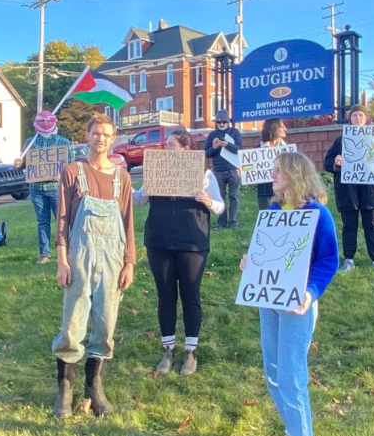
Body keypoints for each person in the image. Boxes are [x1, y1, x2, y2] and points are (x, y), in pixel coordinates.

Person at [239, 151, 338, 436]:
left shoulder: (317, 214)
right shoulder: (270, 212)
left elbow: (329, 259)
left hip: (297, 306)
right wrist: (249, 262)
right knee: (273, 374)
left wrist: (311, 291)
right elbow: (264, 253)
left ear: (295, 174)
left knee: (292, 378)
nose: (272, 175)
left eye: (278, 171)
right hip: (269, 302)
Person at [52, 113, 135, 418]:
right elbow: (62, 220)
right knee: (73, 323)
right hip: (79, 256)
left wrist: (130, 263)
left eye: (106, 134)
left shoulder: (122, 178)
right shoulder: (73, 172)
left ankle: (94, 385)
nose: (101, 138)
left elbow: (127, 223)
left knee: (105, 324)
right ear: (87, 136)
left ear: (113, 140)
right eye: (96, 133)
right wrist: (61, 260)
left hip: (113, 259)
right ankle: (65, 387)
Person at [133, 129, 224, 376]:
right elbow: (138, 200)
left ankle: (191, 352)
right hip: (159, 242)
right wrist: (125, 186)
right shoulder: (157, 170)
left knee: (190, 296)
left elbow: (219, 207)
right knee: (166, 297)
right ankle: (168, 350)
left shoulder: (204, 174)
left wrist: (206, 200)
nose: (167, 148)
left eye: (172, 144)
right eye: (167, 144)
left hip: (192, 243)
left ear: (186, 148)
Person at [323, 105, 374, 276]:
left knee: (372, 224)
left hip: (371, 191)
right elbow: (327, 163)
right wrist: (336, 161)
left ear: (366, 118)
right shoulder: (341, 141)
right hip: (348, 191)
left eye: (361, 115)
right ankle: (349, 259)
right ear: (350, 118)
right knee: (349, 225)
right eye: (354, 115)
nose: (357, 118)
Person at [14, 110, 71, 265]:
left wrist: (63, 175)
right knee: (42, 221)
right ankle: (44, 254)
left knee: (62, 220)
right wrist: (19, 164)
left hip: (56, 188)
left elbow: (70, 166)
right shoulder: (29, 143)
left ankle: (65, 251)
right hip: (37, 188)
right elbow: (26, 164)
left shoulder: (63, 142)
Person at [204, 110, 243, 230]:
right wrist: (215, 147)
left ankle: (233, 222)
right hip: (218, 170)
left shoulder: (234, 132)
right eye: (218, 122)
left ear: (228, 121)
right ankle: (221, 222)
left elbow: (239, 149)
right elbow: (207, 153)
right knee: (219, 197)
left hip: (232, 169)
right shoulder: (212, 135)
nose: (221, 124)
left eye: (224, 121)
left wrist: (227, 145)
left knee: (234, 196)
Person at [256, 118, 287, 210]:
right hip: (264, 192)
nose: (285, 129)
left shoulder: (288, 150)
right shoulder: (256, 150)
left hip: (284, 190)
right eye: (282, 127)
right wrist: (243, 171)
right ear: (274, 129)